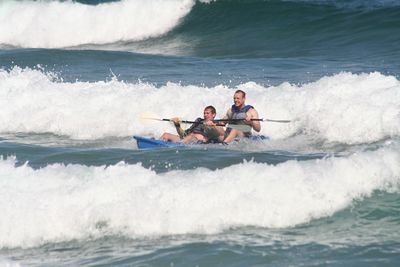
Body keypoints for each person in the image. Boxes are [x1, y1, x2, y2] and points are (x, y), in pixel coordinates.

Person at [160, 106, 225, 143]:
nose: (205, 115)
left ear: (213, 115)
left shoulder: (216, 123)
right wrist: (177, 125)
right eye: (204, 113)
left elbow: (222, 134)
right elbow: (183, 134)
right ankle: (155, 144)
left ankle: (177, 146)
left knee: (191, 137)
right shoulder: (198, 120)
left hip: (196, 141)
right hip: (185, 139)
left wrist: (213, 125)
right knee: (166, 135)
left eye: (207, 113)